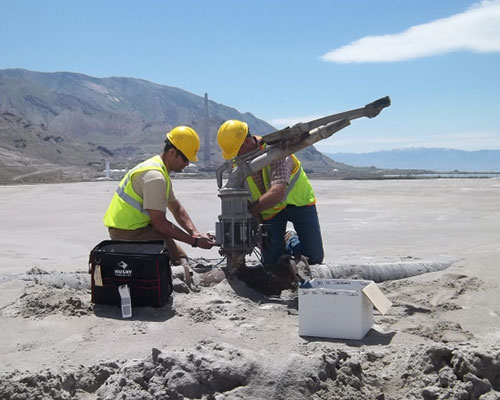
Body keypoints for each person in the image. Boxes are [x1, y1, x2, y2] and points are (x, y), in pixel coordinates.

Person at [103, 126, 216, 267]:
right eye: (185, 159)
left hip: (141, 228)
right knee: (175, 263)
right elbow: (160, 223)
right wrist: (195, 242)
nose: (187, 164)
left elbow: (176, 207)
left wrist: (195, 234)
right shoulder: (155, 177)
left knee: (180, 258)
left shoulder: (160, 170)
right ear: (172, 152)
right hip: (128, 233)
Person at [216, 120, 324, 266]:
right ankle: (280, 248)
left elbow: (278, 193)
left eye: (237, 151)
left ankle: (290, 239)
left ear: (248, 141)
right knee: (271, 262)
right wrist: (256, 224)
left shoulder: (277, 152)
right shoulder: (238, 164)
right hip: (269, 211)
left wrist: (251, 210)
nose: (236, 156)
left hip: (299, 204)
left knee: (314, 257)